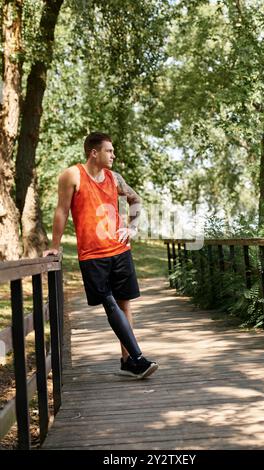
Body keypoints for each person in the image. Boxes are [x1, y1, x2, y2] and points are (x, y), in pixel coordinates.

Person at [43, 132, 158, 379]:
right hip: (92, 254)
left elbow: (135, 198)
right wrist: (55, 244)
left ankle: (128, 361)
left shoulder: (114, 178)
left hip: (119, 250)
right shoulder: (72, 175)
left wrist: (133, 228)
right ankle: (138, 359)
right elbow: (62, 210)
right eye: (109, 151)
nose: (113, 155)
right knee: (109, 302)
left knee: (124, 303)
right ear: (93, 152)